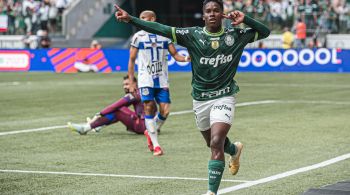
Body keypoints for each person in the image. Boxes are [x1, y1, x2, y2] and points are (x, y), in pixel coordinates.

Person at [115, 0, 270, 194]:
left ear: (223, 14)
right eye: (208, 11)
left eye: (216, 10)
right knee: (212, 143)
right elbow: (160, 28)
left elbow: (265, 32)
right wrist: (131, 19)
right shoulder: (192, 35)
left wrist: (245, 18)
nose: (212, 14)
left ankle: (211, 192)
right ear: (203, 15)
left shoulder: (235, 35)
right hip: (200, 99)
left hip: (224, 96)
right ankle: (234, 150)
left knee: (215, 142)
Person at [127, 10, 191, 156]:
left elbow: (175, 55)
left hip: (162, 79)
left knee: (165, 110)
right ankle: (156, 145)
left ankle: (150, 131)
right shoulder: (138, 37)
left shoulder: (164, 35)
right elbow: (131, 59)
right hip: (145, 79)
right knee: (148, 107)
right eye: (140, 18)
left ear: (153, 19)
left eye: (144, 18)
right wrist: (131, 81)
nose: (142, 20)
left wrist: (187, 59)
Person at [67, 75, 154, 152]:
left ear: (135, 83)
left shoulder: (133, 95)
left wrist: (99, 114)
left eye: (127, 84)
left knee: (118, 110)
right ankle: (98, 126)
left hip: (142, 127)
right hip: (149, 125)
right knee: (119, 111)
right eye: (124, 85)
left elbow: (114, 106)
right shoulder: (141, 92)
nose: (125, 87)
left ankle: (86, 128)